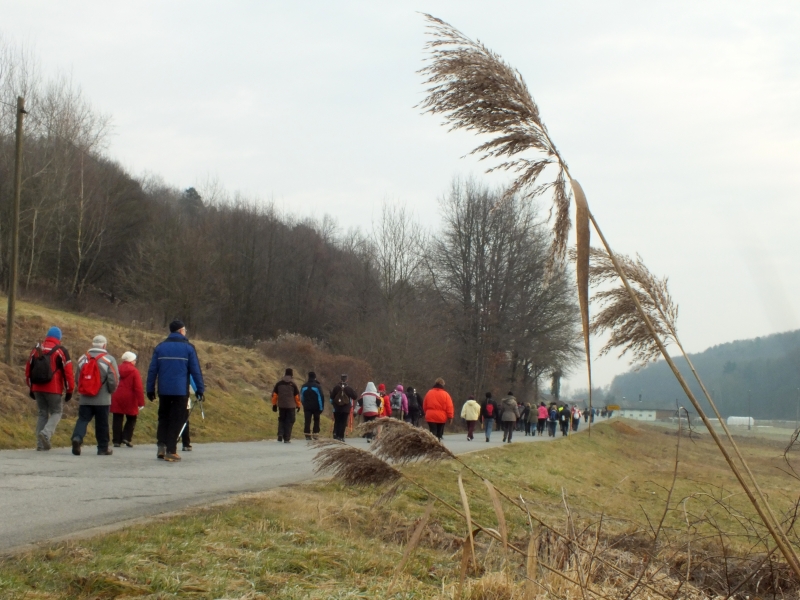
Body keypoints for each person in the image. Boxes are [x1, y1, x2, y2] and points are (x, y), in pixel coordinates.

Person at [146, 320, 205, 462]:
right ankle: (171, 450)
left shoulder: (160, 347)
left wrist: (150, 388)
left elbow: (152, 370)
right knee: (176, 419)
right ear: (181, 331)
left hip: (163, 389)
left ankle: (161, 445)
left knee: (163, 417)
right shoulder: (188, 348)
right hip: (180, 390)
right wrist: (200, 389)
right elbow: (195, 370)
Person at [25, 326, 74, 451]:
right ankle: (46, 434)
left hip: (37, 387)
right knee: (57, 412)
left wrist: (31, 387)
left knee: (42, 413)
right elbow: (68, 373)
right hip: (54, 388)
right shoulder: (61, 351)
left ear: (47, 335)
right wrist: (69, 390)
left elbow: (28, 369)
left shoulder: (37, 349)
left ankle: (40, 444)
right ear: (59, 338)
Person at [71, 335, 119, 456]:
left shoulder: (82, 359)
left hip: (85, 397)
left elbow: (77, 378)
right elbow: (113, 379)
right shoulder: (109, 359)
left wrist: (84, 389)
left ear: (92, 344)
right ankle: (103, 448)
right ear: (104, 345)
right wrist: (110, 391)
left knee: (83, 419)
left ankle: (77, 437)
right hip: (102, 398)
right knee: (102, 423)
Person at [110, 351, 144, 447]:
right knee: (131, 418)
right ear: (131, 360)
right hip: (130, 397)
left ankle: (116, 440)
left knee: (117, 418)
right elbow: (138, 387)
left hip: (116, 395)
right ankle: (126, 437)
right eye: (134, 360)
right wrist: (141, 402)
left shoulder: (116, 368)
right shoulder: (134, 371)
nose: (135, 362)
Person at [271, 368, 301, 443]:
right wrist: (298, 405)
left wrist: (274, 404)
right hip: (291, 406)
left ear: (284, 375)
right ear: (291, 375)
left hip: (281, 406)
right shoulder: (293, 385)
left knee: (281, 419)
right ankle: (287, 438)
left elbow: (274, 395)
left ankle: (280, 434)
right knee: (289, 421)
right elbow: (297, 397)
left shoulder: (279, 384)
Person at [329, 374, 357, 441]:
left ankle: (336, 434)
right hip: (345, 408)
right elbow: (355, 397)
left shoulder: (336, 387)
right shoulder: (349, 388)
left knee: (337, 421)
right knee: (343, 422)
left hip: (337, 408)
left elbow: (332, 396)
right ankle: (341, 436)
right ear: (347, 380)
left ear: (340, 379)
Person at [301, 371, 325, 441]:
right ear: (315, 377)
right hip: (316, 407)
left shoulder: (304, 386)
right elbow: (321, 397)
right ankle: (315, 434)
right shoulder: (317, 386)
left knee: (307, 420)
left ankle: (307, 434)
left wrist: (304, 404)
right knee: (316, 420)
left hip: (307, 406)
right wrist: (321, 408)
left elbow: (302, 397)